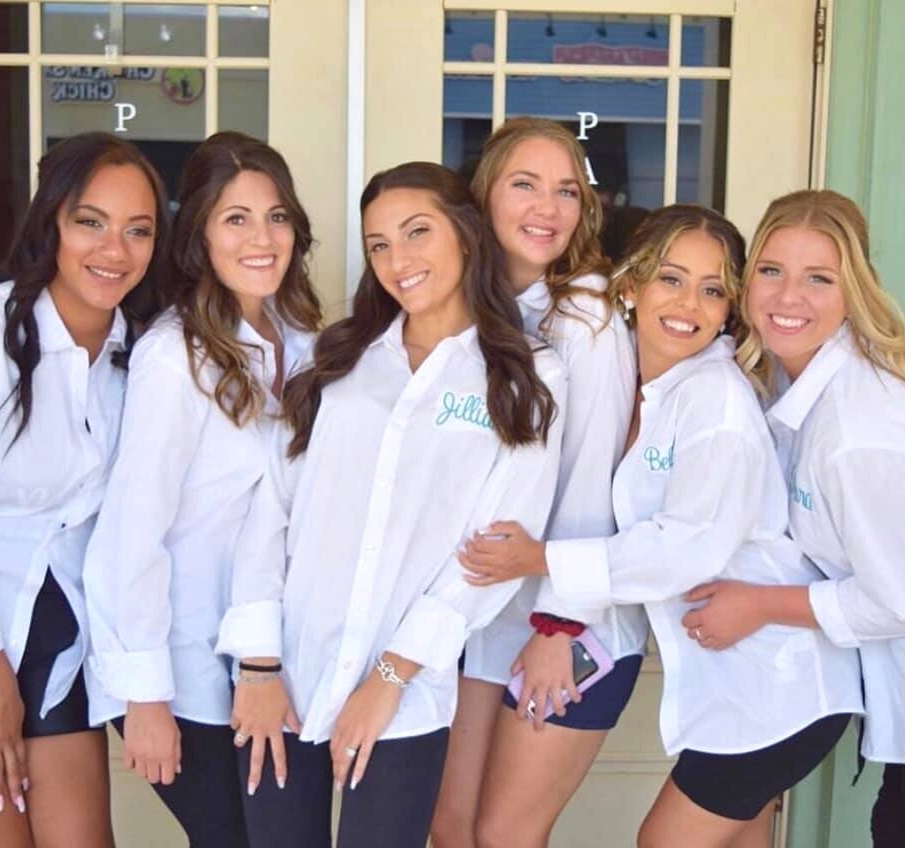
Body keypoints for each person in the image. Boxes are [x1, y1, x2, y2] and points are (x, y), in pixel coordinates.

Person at [459, 203, 864, 848]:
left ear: (730, 305)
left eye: (712, 290)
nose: (689, 305)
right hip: (743, 689)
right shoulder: (636, 381)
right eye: (671, 279)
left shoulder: (716, 400)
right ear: (631, 285)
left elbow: (685, 547)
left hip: (779, 689)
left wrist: (542, 565)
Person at [216, 161, 565, 848]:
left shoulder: (525, 375)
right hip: (285, 680)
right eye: (378, 244)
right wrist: (258, 663)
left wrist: (390, 676)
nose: (397, 260)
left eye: (416, 233)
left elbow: (492, 556)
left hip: (405, 699)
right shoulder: (336, 362)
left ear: (466, 235)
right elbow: (269, 514)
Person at [83, 131, 322, 847]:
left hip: (276, 661)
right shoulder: (173, 356)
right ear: (200, 236)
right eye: (236, 218)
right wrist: (147, 696)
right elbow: (132, 531)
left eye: (276, 216)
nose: (262, 237)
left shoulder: (306, 340)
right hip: (182, 666)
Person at [681, 189, 905, 848]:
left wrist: (760, 605)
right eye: (771, 271)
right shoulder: (786, 386)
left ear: (853, 292)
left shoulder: (859, 433)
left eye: (818, 279)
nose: (788, 296)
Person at [431, 116, 646, 848]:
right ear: (485, 195)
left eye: (566, 191)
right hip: (485, 613)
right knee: (450, 826)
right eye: (525, 185)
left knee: (501, 837)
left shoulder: (584, 317)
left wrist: (560, 626)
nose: (546, 209)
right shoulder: (469, 307)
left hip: (570, 625)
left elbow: (593, 481)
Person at [0, 132, 167, 847]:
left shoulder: (148, 355)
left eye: (137, 230)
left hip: (64, 647)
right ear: (52, 221)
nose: (114, 249)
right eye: (91, 221)